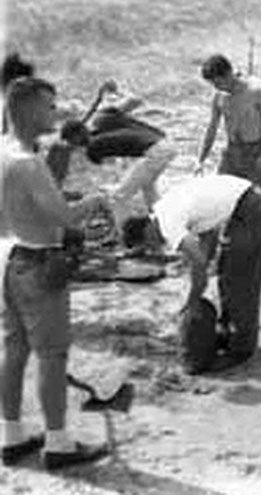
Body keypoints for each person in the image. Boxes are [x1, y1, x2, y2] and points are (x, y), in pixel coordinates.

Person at [1, 76, 109, 469]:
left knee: (13, 350)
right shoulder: (30, 164)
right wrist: (97, 201)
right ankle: (58, 445)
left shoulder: (3, 151)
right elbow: (64, 217)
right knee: (52, 355)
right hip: (38, 264)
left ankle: (10, 436)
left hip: (9, 261)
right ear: (29, 109)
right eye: (49, 106)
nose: (55, 112)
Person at [121, 174, 261, 373]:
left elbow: (198, 260)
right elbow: (206, 233)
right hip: (247, 203)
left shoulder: (168, 224)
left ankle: (240, 351)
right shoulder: (163, 208)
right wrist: (207, 265)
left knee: (239, 280)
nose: (154, 248)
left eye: (148, 245)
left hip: (250, 208)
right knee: (227, 274)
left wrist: (194, 297)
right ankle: (229, 334)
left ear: (147, 231)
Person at [59, 80, 176, 236]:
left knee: (118, 198)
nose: (74, 147)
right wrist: (109, 94)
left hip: (155, 153)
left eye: (72, 143)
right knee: (148, 187)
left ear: (76, 138)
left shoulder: (93, 148)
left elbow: (110, 172)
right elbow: (135, 100)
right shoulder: (102, 117)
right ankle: (164, 225)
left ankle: (128, 238)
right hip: (166, 142)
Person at [196, 54, 261, 192]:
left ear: (229, 73)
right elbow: (212, 129)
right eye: (213, 84)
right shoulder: (219, 97)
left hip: (255, 154)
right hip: (231, 154)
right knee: (222, 197)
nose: (216, 87)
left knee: (254, 205)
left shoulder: (255, 93)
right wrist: (201, 160)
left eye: (218, 83)